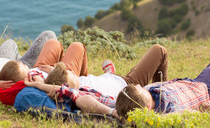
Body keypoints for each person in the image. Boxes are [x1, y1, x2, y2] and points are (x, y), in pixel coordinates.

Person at [24, 44, 169, 118]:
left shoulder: (80, 81)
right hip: (129, 85)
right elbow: (63, 91)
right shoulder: (81, 92)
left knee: (100, 73)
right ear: (67, 84)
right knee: (159, 50)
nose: (72, 71)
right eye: (70, 73)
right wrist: (39, 84)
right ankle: (163, 91)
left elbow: (61, 82)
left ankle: (109, 72)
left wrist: (50, 72)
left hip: (113, 79)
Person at [116, 44, 210, 119]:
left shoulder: (136, 103)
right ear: (149, 108)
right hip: (205, 91)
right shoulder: (171, 112)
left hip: (189, 84)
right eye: (139, 89)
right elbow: (192, 115)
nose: (139, 85)